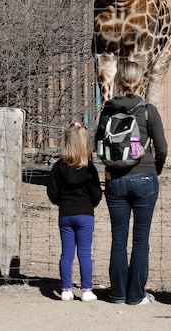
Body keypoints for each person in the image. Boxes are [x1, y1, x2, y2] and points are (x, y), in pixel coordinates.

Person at [95, 61, 167, 306]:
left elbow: (99, 144)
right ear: (140, 81)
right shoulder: (148, 111)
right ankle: (136, 295)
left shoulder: (107, 109)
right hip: (145, 178)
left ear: (118, 80)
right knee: (140, 239)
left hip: (115, 180)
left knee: (118, 238)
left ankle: (117, 293)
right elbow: (162, 149)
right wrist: (153, 170)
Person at [46, 122, 102, 302]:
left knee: (66, 253)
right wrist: (93, 203)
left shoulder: (58, 167)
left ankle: (66, 289)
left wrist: (60, 202)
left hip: (66, 214)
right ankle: (86, 290)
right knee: (84, 253)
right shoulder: (89, 168)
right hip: (85, 214)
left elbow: (52, 192)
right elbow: (96, 192)